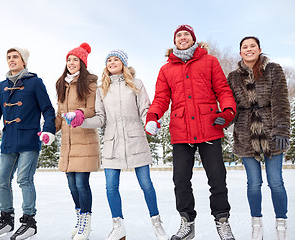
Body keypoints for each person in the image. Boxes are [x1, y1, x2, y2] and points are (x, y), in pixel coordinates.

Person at [145, 24, 237, 240]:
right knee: (181, 180)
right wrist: (152, 116)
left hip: (210, 127)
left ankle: (222, 222)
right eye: (178, 35)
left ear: (193, 39)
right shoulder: (166, 69)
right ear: (174, 41)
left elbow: (222, 89)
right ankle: (187, 222)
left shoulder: (210, 61)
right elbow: (160, 98)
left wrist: (228, 110)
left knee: (217, 178)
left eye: (186, 34)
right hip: (181, 131)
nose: (182, 37)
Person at [76, 49, 168, 240]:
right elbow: (100, 119)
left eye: (116, 59)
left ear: (123, 63)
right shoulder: (102, 89)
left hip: (136, 140)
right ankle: (118, 226)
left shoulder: (136, 84)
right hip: (112, 142)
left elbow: (145, 110)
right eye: (109, 60)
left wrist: (150, 122)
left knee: (146, 185)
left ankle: (157, 223)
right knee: (110, 187)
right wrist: (82, 121)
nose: (112, 62)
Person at [0, 47, 56, 240]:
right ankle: (6, 218)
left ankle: (29, 222)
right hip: (9, 141)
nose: (11, 60)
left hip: (29, 140)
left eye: (15, 57)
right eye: (8, 57)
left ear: (24, 61)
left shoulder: (35, 83)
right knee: (2, 179)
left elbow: (48, 110)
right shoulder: (0, 86)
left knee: (24, 179)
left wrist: (49, 130)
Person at [227, 36, 290, 240]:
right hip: (245, 133)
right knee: (253, 183)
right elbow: (233, 107)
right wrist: (224, 119)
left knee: (276, 181)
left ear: (259, 49)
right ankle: (257, 224)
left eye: (252, 46)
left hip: (272, 130)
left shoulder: (273, 69)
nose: (249, 49)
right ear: (240, 53)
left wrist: (281, 129)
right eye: (245, 47)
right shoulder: (233, 77)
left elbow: (281, 101)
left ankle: (281, 224)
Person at [55, 42, 100, 240]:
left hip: (84, 138)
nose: (71, 63)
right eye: (69, 60)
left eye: (75, 59)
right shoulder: (62, 84)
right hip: (68, 142)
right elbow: (59, 114)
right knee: (71, 185)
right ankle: (79, 218)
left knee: (82, 183)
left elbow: (92, 109)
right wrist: (48, 130)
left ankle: (85, 223)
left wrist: (79, 113)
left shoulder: (89, 83)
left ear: (82, 62)